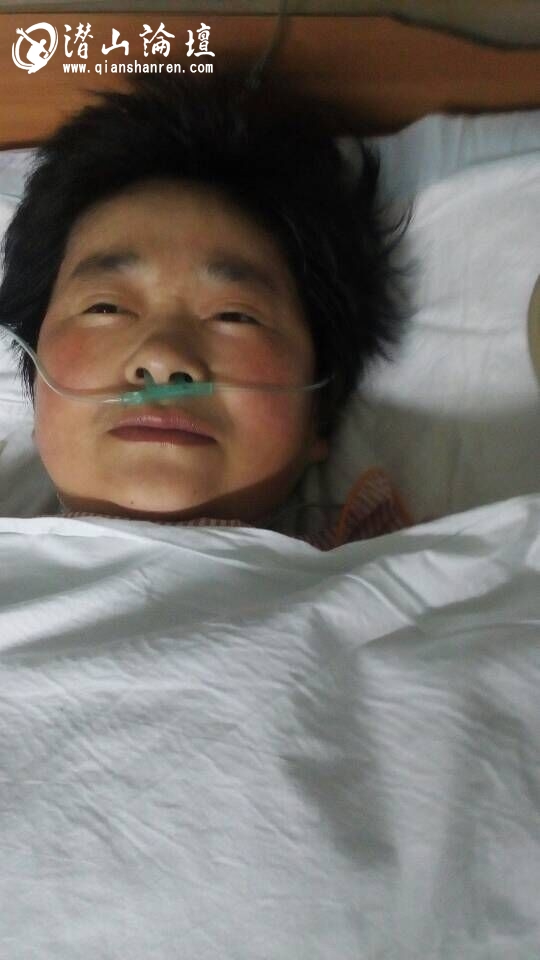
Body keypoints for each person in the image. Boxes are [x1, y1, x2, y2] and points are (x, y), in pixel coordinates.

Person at [0, 69, 414, 550]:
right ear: (36, 382)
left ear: (319, 409)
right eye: (106, 307)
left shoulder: (423, 580)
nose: (163, 360)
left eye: (233, 316)